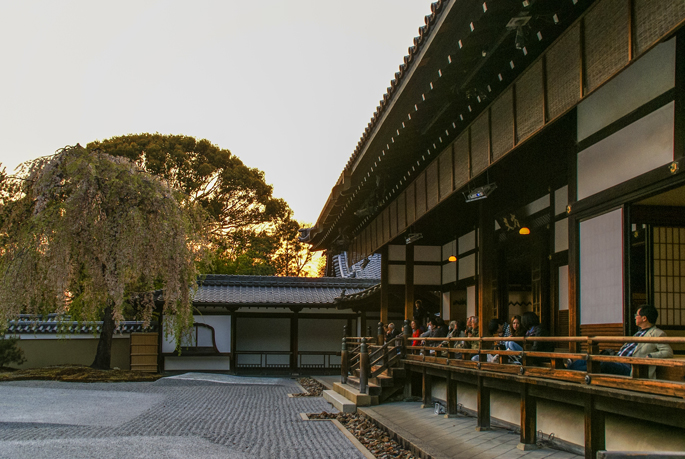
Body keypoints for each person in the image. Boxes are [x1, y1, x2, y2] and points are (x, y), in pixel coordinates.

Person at [567, 305, 673, 378]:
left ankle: (570, 372)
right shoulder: (638, 333)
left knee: (603, 364)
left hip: (630, 367)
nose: (635, 317)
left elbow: (668, 352)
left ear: (644, 318)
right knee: (590, 357)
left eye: (636, 315)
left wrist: (650, 356)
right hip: (618, 360)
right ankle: (568, 370)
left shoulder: (657, 333)